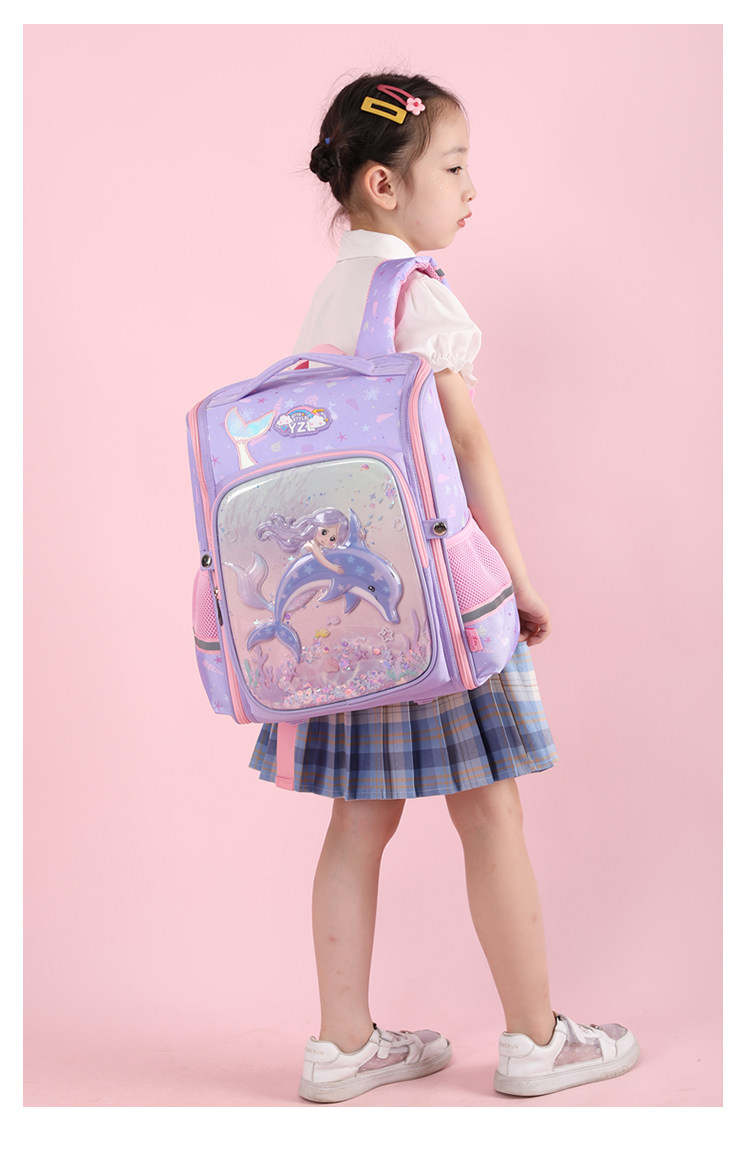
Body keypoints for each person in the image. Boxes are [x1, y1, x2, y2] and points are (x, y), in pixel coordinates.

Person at [249, 72, 639, 1103]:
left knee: (358, 820)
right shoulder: (418, 292)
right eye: (456, 168)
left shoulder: (332, 295)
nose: (472, 191)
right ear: (384, 184)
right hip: (437, 598)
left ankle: (341, 1044)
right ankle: (536, 1039)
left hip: (352, 620)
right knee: (490, 811)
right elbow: (468, 442)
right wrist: (516, 578)